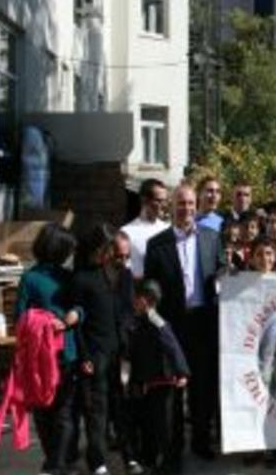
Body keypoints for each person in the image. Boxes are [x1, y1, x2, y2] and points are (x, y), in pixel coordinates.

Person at [144, 184, 225, 465]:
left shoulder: (212, 237)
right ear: (171, 206)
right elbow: (151, 287)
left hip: (203, 323)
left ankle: (201, 441)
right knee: (174, 390)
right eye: (181, 203)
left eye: (191, 203)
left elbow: (221, 271)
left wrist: (227, 275)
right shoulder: (157, 244)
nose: (186, 209)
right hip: (173, 326)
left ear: (197, 205)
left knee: (202, 386)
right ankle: (174, 448)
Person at [16, 223, 82, 475]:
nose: (69, 255)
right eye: (67, 249)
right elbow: (21, 318)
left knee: (61, 412)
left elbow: (81, 305)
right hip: (44, 356)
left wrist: (76, 314)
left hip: (63, 353)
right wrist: (47, 322)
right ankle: (58, 463)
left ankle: (55, 465)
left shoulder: (67, 277)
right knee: (47, 412)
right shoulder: (31, 278)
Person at [72, 224, 134, 475]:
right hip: (95, 353)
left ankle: (129, 455)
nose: (114, 257)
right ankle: (97, 460)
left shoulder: (120, 276)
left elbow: (126, 310)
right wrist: (84, 356)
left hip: (118, 352)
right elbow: (77, 322)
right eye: (109, 251)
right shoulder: (82, 278)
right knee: (97, 410)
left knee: (121, 407)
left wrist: (127, 344)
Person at [126, 279, 190, 475]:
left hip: (163, 382)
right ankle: (157, 460)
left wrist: (182, 372)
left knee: (165, 426)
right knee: (154, 424)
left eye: (136, 298)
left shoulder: (156, 322)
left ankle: (171, 466)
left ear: (145, 300)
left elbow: (173, 347)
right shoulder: (140, 321)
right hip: (151, 382)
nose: (133, 301)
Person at [122, 178, 169, 279]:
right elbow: (124, 271)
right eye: (159, 201)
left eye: (165, 201)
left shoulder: (168, 229)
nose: (164, 205)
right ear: (144, 200)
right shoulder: (127, 232)